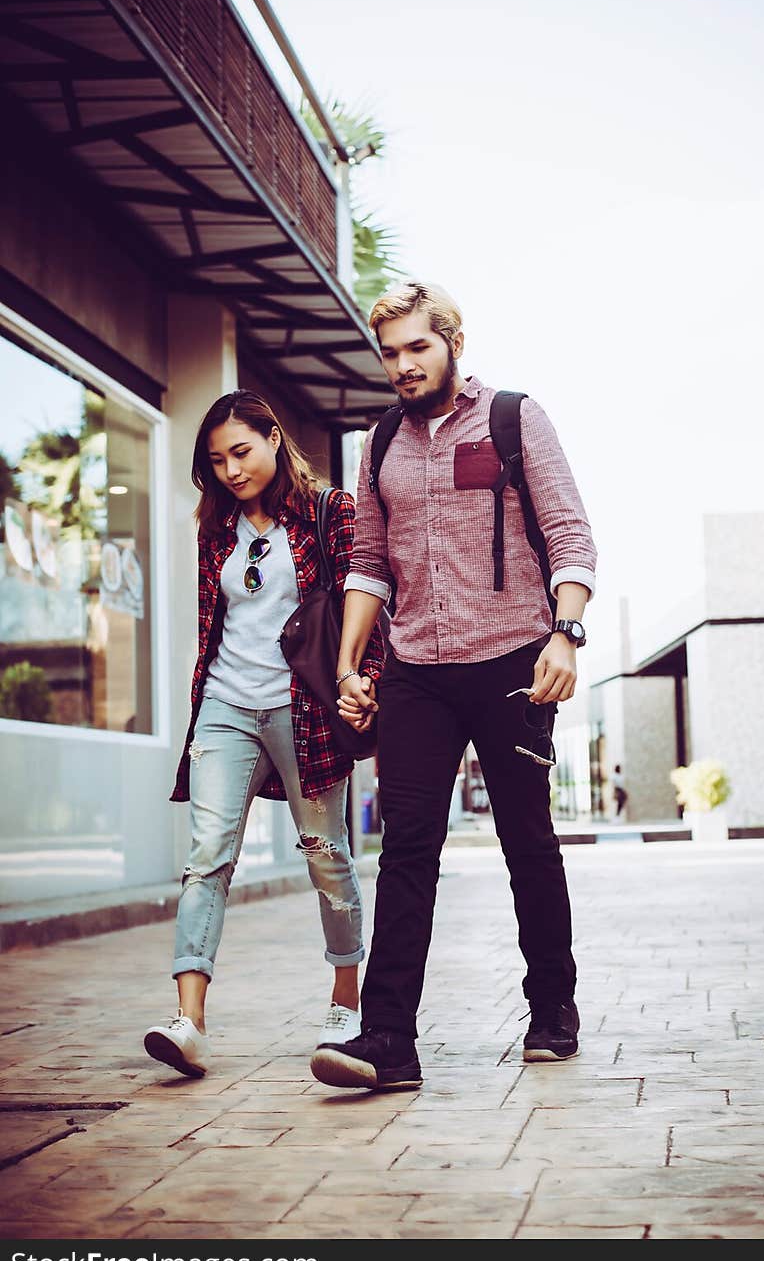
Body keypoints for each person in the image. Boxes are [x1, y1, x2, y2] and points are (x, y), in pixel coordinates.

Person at [310, 280, 598, 1091]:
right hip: (417, 674)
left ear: (451, 343)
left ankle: (553, 1009)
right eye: (391, 352)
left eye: (416, 348)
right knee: (406, 849)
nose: (403, 365)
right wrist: (349, 667)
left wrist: (565, 634)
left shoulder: (512, 417)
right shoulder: (382, 443)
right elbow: (369, 560)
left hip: (513, 663)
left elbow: (571, 533)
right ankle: (388, 1043)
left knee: (526, 843)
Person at [143, 390, 384, 1078]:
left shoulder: (328, 511)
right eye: (217, 460)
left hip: (304, 707)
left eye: (241, 452)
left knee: (324, 853)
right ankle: (189, 1020)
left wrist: (359, 678)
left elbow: (365, 595)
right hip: (225, 703)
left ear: (275, 439)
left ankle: (346, 1003)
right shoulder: (216, 528)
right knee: (208, 854)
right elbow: (216, 624)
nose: (230, 470)